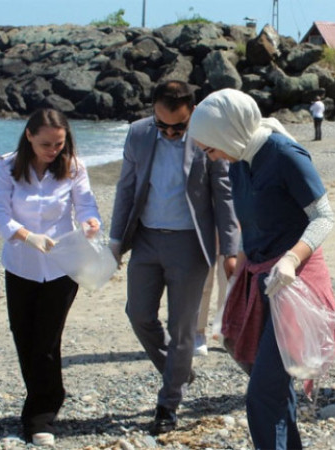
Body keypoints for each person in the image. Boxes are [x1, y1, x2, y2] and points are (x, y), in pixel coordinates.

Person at [188, 88, 335, 450]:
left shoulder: (284, 154)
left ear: (227, 132)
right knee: (272, 385)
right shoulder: (240, 157)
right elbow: (252, 226)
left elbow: (324, 216)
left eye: (210, 148)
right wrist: (236, 284)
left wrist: (292, 258)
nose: (210, 157)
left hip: (296, 281)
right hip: (260, 276)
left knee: (261, 394)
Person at [108, 80, 239, 435]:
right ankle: (178, 369)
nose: (168, 132)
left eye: (177, 127)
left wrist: (230, 249)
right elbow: (126, 189)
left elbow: (223, 197)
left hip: (190, 244)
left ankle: (168, 403)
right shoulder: (138, 134)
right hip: (147, 239)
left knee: (182, 329)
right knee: (138, 315)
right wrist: (115, 241)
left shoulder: (205, 138)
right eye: (161, 124)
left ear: (192, 114)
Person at [0, 108, 101, 447]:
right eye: (46, 144)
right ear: (29, 137)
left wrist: (91, 223)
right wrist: (26, 235)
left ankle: (42, 415)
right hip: (21, 264)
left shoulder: (74, 167)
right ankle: (41, 399)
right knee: (23, 335)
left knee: (47, 341)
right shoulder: (8, 166)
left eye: (59, 144)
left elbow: (86, 205)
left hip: (61, 266)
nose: (53, 150)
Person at [195, 255, 228, 356]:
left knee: (227, 285)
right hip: (204, 241)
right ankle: (198, 333)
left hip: (229, 241)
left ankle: (225, 333)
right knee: (203, 284)